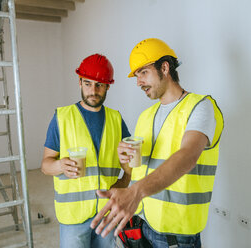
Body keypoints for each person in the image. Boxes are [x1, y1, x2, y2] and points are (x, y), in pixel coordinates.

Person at [90, 38, 224, 248]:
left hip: (178, 235)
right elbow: (135, 171)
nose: (138, 82)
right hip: (145, 224)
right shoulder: (146, 116)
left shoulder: (200, 107)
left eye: (143, 72)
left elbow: (188, 156)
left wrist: (135, 193)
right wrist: (124, 158)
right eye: (136, 76)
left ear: (164, 67)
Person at [41, 53, 131, 248]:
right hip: (73, 216)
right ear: (80, 82)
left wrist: (125, 181)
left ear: (108, 86)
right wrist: (59, 165)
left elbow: (128, 158)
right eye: (88, 83)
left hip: (106, 213)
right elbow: (45, 165)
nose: (93, 90)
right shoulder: (62, 118)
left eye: (99, 85)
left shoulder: (116, 119)